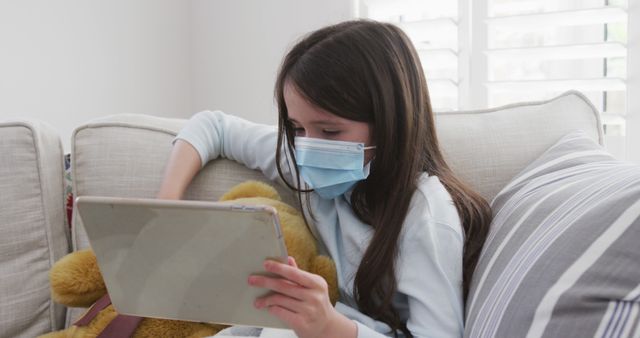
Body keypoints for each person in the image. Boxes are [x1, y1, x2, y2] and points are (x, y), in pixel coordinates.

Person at [157, 20, 492, 338]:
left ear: (389, 123)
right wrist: (166, 207)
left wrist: (331, 326)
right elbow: (213, 126)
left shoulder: (426, 216)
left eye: (329, 131)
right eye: (297, 128)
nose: (308, 148)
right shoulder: (305, 162)